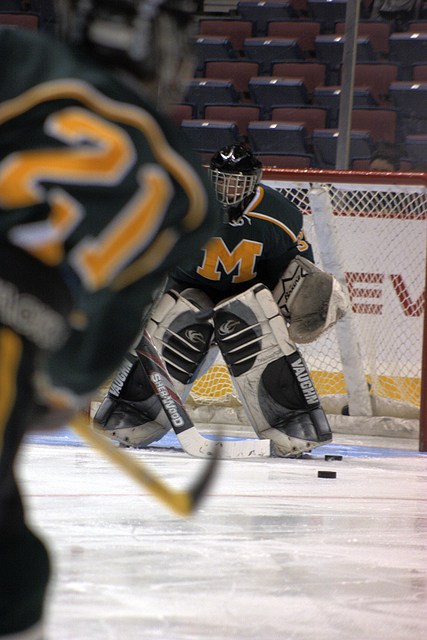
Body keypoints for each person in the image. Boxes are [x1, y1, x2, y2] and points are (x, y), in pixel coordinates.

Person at [0, 1, 221, 638]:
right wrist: (60, 386)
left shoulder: (22, 57)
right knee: (10, 576)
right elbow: (86, 359)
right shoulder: (190, 193)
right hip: (17, 339)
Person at [95, 142, 349, 459]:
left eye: (237, 181)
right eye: (223, 179)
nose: (229, 189)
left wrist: (298, 305)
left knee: (248, 323)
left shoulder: (279, 214)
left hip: (249, 295)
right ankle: (134, 413)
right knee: (178, 321)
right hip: (186, 289)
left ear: (254, 180)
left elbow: (300, 273)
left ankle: (291, 422)